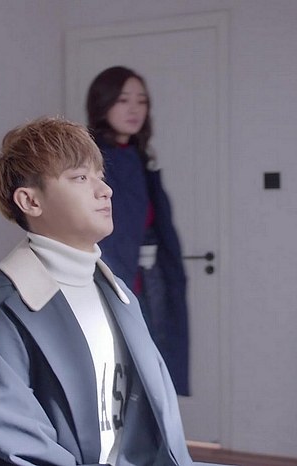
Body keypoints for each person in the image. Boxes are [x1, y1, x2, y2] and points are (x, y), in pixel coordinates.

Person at [0, 117, 221, 465]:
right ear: (30, 201)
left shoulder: (118, 294)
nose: (105, 190)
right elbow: (15, 448)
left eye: (100, 175)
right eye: (80, 178)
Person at [86, 66, 189, 396]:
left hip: (150, 276)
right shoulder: (91, 159)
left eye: (142, 101)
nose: (134, 109)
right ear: (103, 104)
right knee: (122, 374)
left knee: (154, 370)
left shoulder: (140, 157)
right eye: (123, 100)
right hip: (114, 276)